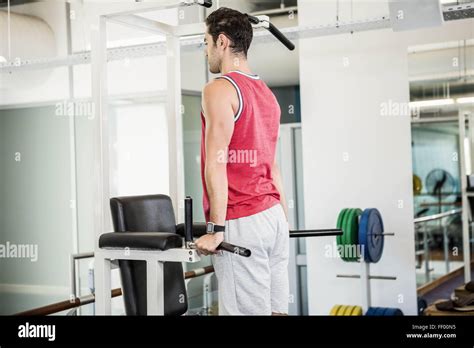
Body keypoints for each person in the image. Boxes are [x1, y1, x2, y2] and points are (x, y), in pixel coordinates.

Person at [195, 7, 289, 316]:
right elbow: (272, 165)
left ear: (222, 42)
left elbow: (217, 162)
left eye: (206, 42)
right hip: (273, 217)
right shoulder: (267, 94)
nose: (206, 50)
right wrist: (284, 219)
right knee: (276, 312)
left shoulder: (219, 89)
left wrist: (217, 229)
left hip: (242, 220)